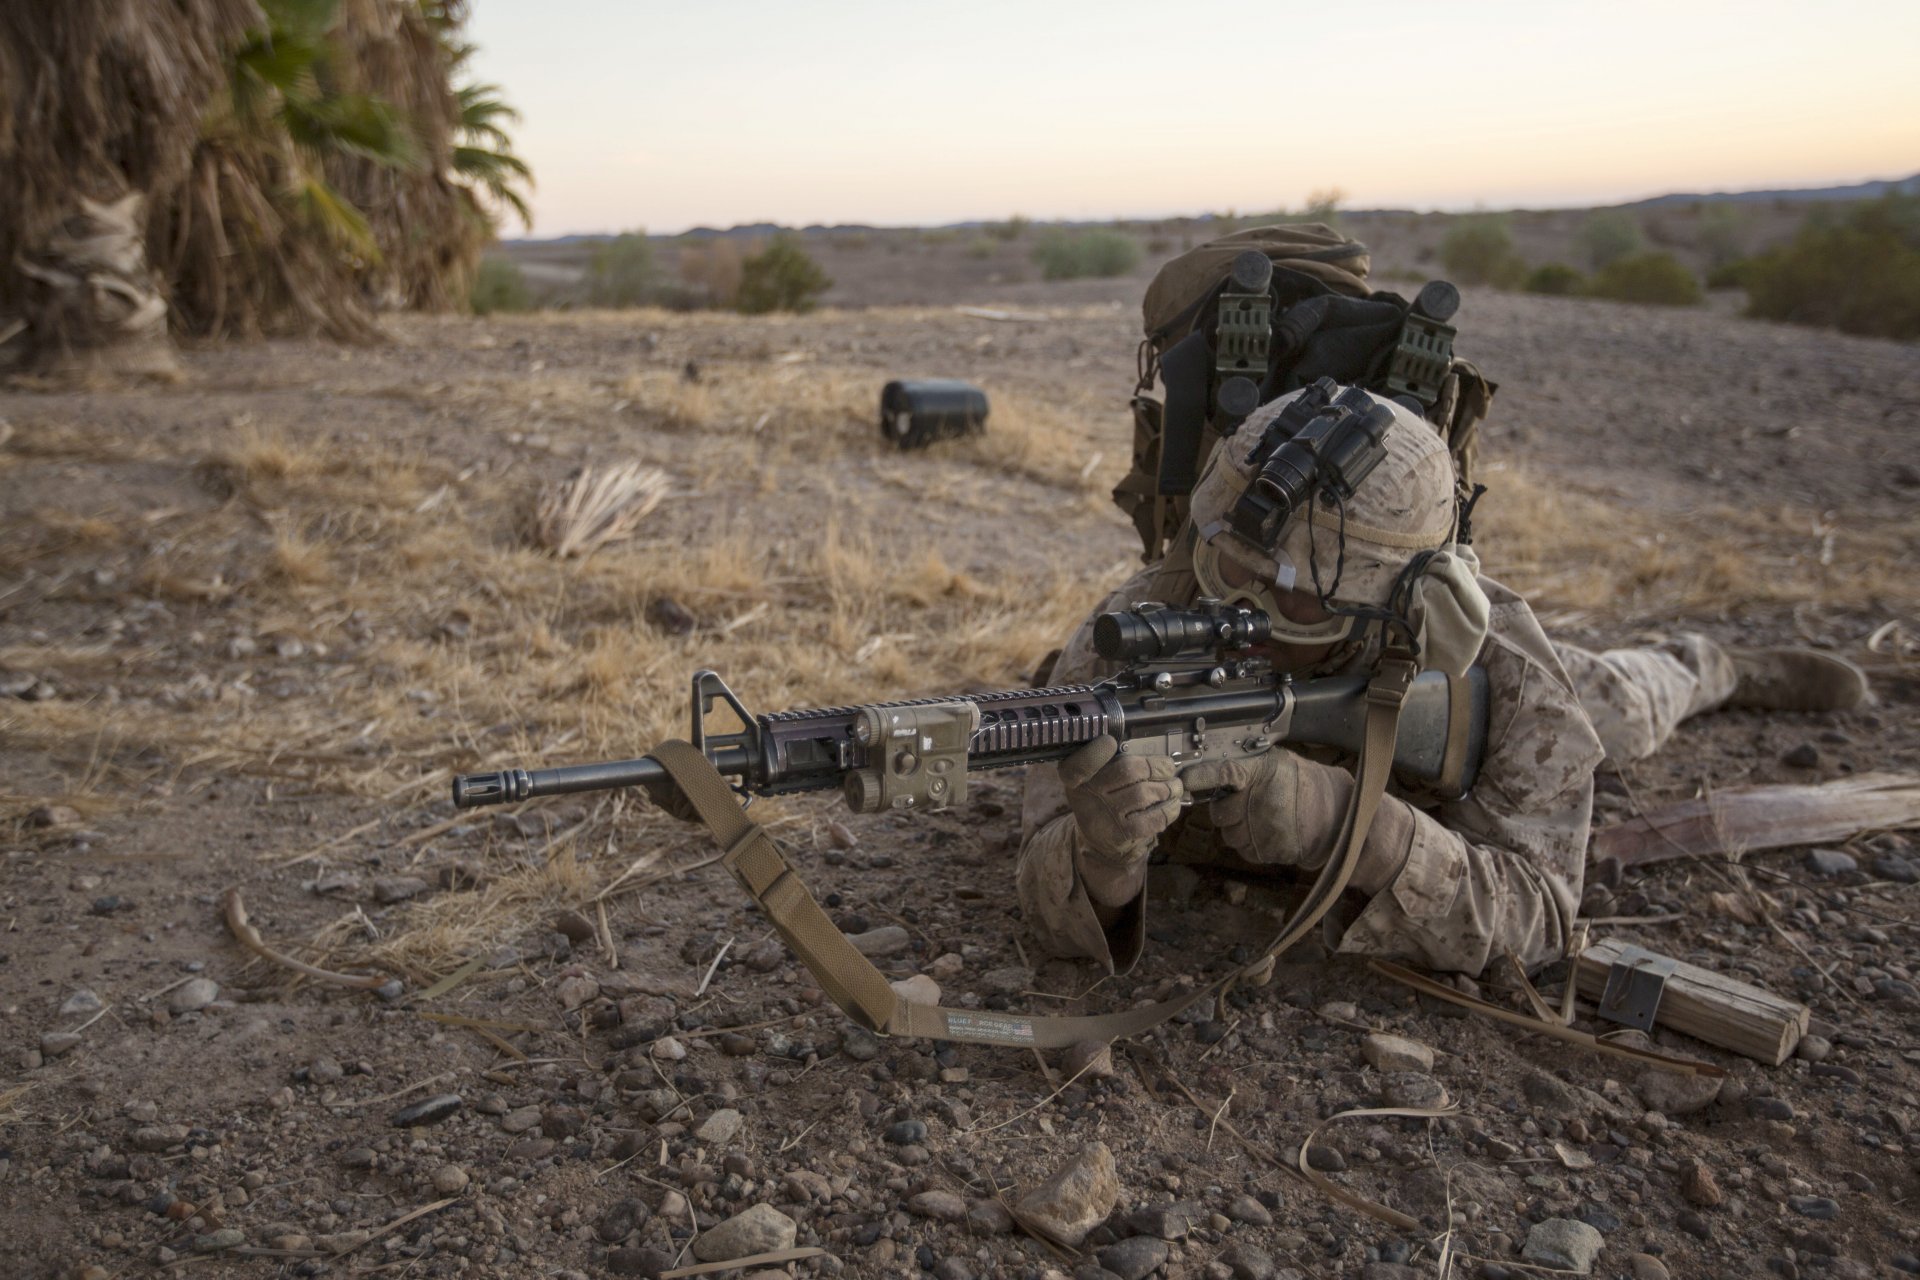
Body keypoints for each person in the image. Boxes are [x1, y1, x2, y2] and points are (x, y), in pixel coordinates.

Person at [1016, 386, 1868, 979]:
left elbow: (1541, 915)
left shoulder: (1496, 657)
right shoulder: (1143, 626)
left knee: (1622, 707)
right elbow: (1042, 895)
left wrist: (1347, 827)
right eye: (1225, 567)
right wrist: (1104, 859)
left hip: (1500, 695)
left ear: (1401, 602)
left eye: (1288, 594)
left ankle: (1708, 667)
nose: (1236, 608)